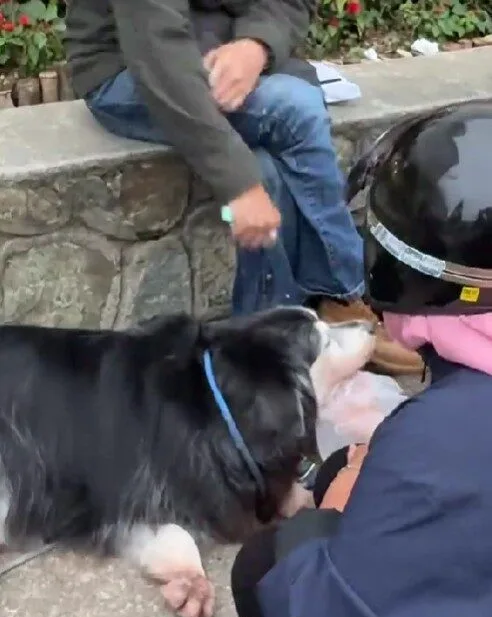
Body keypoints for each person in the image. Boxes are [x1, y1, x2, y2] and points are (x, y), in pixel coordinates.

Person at [231, 100, 492, 617]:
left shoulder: (444, 444)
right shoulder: (441, 438)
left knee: (274, 566)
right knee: (347, 460)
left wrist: (340, 518)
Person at [64, 0, 421, 375]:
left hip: (224, 52)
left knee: (268, 165)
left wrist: (257, 46)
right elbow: (158, 52)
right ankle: (344, 292)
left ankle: (262, 346)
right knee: (295, 108)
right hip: (131, 69)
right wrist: (239, 187)